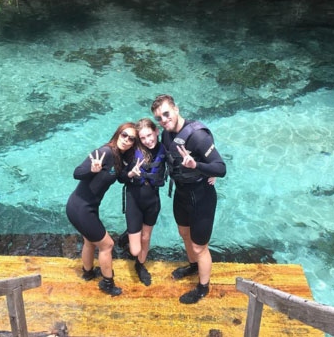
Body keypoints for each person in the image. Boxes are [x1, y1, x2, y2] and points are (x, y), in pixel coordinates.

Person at [151, 95, 226, 304]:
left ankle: (203, 288)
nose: (164, 120)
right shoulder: (166, 136)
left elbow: (220, 168)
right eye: (159, 118)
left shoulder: (198, 136)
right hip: (181, 193)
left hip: (201, 195)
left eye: (166, 114)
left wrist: (197, 166)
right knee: (184, 234)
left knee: (199, 246)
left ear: (176, 109)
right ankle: (193, 266)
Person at [66, 122, 137, 296]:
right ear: (117, 134)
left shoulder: (118, 156)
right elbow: (77, 173)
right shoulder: (104, 152)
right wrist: (91, 170)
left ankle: (88, 272)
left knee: (90, 241)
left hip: (88, 207)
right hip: (80, 208)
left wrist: (130, 174)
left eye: (131, 139)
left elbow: (119, 177)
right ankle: (107, 283)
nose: (126, 140)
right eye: (124, 135)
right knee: (107, 245)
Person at [122, 118, 167, 286]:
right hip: (134, 200)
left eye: (150, 135)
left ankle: (140, 265)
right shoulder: (131, 152)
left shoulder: (165, 147)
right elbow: (120, 176)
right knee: (134, 249)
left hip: (153, 201)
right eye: (143, 138)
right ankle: (128, 236)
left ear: (156, 131)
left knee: (146, 236)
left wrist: (210, 172)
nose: (148, 140)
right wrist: (130, 174)